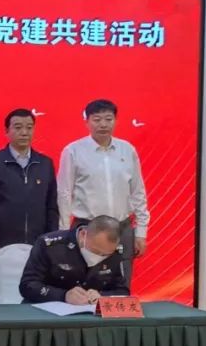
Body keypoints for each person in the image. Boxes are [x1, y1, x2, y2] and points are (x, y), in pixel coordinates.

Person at [56, 99, 149, 285]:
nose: (103, 124)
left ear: (116, 121)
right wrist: (64, 233)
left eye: (108, 119)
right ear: (87, 122)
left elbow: (138, 192)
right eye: (97, 119)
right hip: (87, 229)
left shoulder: (127, 149)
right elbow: (64, 193)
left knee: (121, 284)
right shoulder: (73, 151)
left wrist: (141, 233)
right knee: (85, 283)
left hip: (122, 228)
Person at [0, 108, 59, 260]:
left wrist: (51, 240)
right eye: (18, 127)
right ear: (6, 131)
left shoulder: (45, 164)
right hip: (1, 243)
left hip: (38, 242)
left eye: (29, 127)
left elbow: (51, 206)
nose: (24, 133)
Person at [19, 216, 129, 304]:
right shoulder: (50, 245)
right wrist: (64, 295)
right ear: (83, 234)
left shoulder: (115, 252)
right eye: (96, 251)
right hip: (48, 311)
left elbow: (122, 291)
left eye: (105, 255)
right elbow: (28, 285)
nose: (99, 256)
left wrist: (102, 296)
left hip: (91, 316)